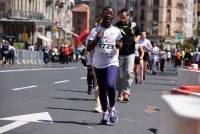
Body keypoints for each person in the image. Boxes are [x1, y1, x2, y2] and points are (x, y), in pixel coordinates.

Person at [87, 6, 122, 125]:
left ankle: (111, 108)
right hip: (98, 63)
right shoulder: (95, 30)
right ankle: (105, 112)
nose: (108, 15)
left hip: (112, 62)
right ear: (102, 15)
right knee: (102, 89)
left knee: (110, 85)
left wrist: (118, 45)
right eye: (106, 13)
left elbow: (120, 43)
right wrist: (97, 38)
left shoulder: (116, 31)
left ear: (113, 17)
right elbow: (89, 48)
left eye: (110, 13)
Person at [115, 8, 141, 102]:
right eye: (121, 17)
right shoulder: (116, 26)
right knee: (120, 74)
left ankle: (126, 93)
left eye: (124, 17)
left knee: (129, 72)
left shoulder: (134, 25)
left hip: (130, 53)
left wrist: (136, 40)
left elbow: (139, 34)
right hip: (120, 54)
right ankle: (120, 93)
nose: (122, 19)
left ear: (128, 17)